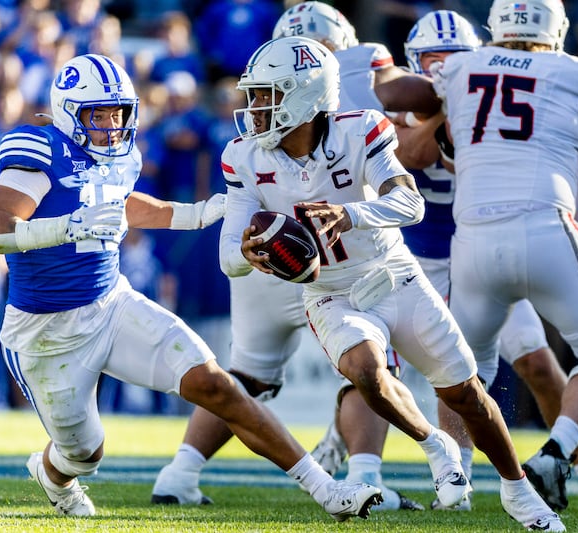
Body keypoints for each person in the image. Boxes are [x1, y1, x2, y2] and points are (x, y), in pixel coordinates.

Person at [0, 53, 382, 521]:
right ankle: (53, 473)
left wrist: (195, 214)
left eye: (118, 113)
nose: (112, 126)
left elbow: (120, 203)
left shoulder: (121, 156)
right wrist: (66, 227)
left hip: (111, 304)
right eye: (98, 115)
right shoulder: (40, 152)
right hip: (45, 333)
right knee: (83, 454)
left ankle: (327, 490)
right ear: (68, 113)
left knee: (215, 384)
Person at [216, 35, 565, 531]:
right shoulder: (244, 156)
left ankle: (518, 491)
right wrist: (247, 254)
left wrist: (350, 214)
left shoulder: (360, 129)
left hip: (395, 276)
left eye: (266, 95)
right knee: (365, 369)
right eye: (254, 96)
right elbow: (229, 254)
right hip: (330, 292)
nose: (254, 108)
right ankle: (435, 444)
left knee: (465, 394)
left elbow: (409, 203)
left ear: (305, 96)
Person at [152, 2, 437, 512]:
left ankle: (180, 472)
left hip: (267, 249)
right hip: (337, 259)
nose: (259, 102)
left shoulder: (260, 118)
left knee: (248, 376)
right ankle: (366, 479)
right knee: (369, 368)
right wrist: (450, 92)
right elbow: (421, 96)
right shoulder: (360, 67)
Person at [395, 9, 578, 513]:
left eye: (450, 58)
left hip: (474, 249)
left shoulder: (468, 77)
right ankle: (456, 478)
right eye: (432, 60)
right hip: (442, 258)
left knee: (531, 366)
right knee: (459, 372)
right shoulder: (450, 91)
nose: (440, 66)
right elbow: (411, 150)